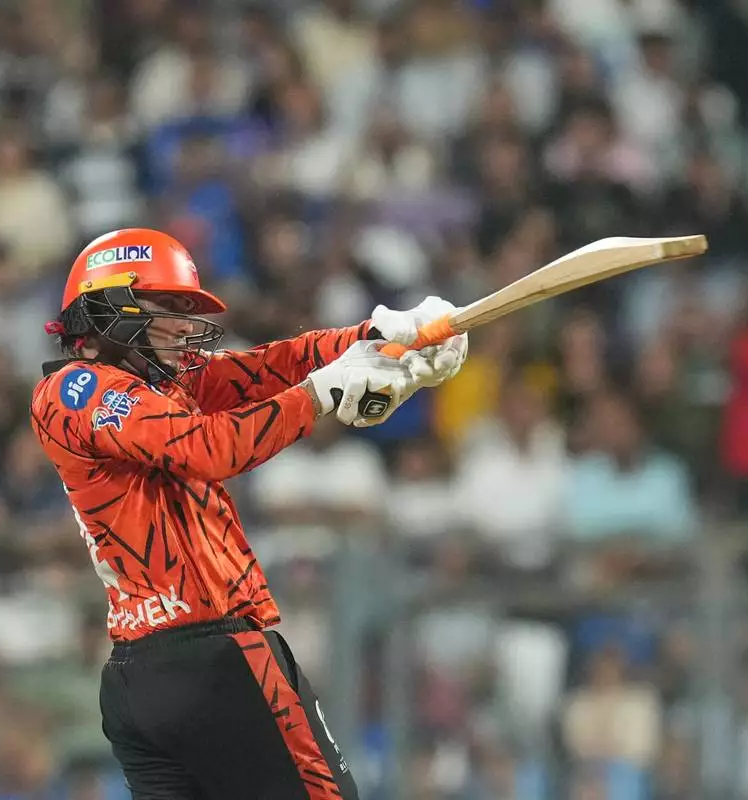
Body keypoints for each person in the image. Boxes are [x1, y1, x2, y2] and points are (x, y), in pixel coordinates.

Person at [30, 228, 467, 799]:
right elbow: (211, 448)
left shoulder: (157, 387)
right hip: (216, 659)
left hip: (143, 679)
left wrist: (379, 336)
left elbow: (268, 367)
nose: (185, 326)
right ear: (109, 306)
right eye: (168, 306)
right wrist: (322, 393)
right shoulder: (76, 388)